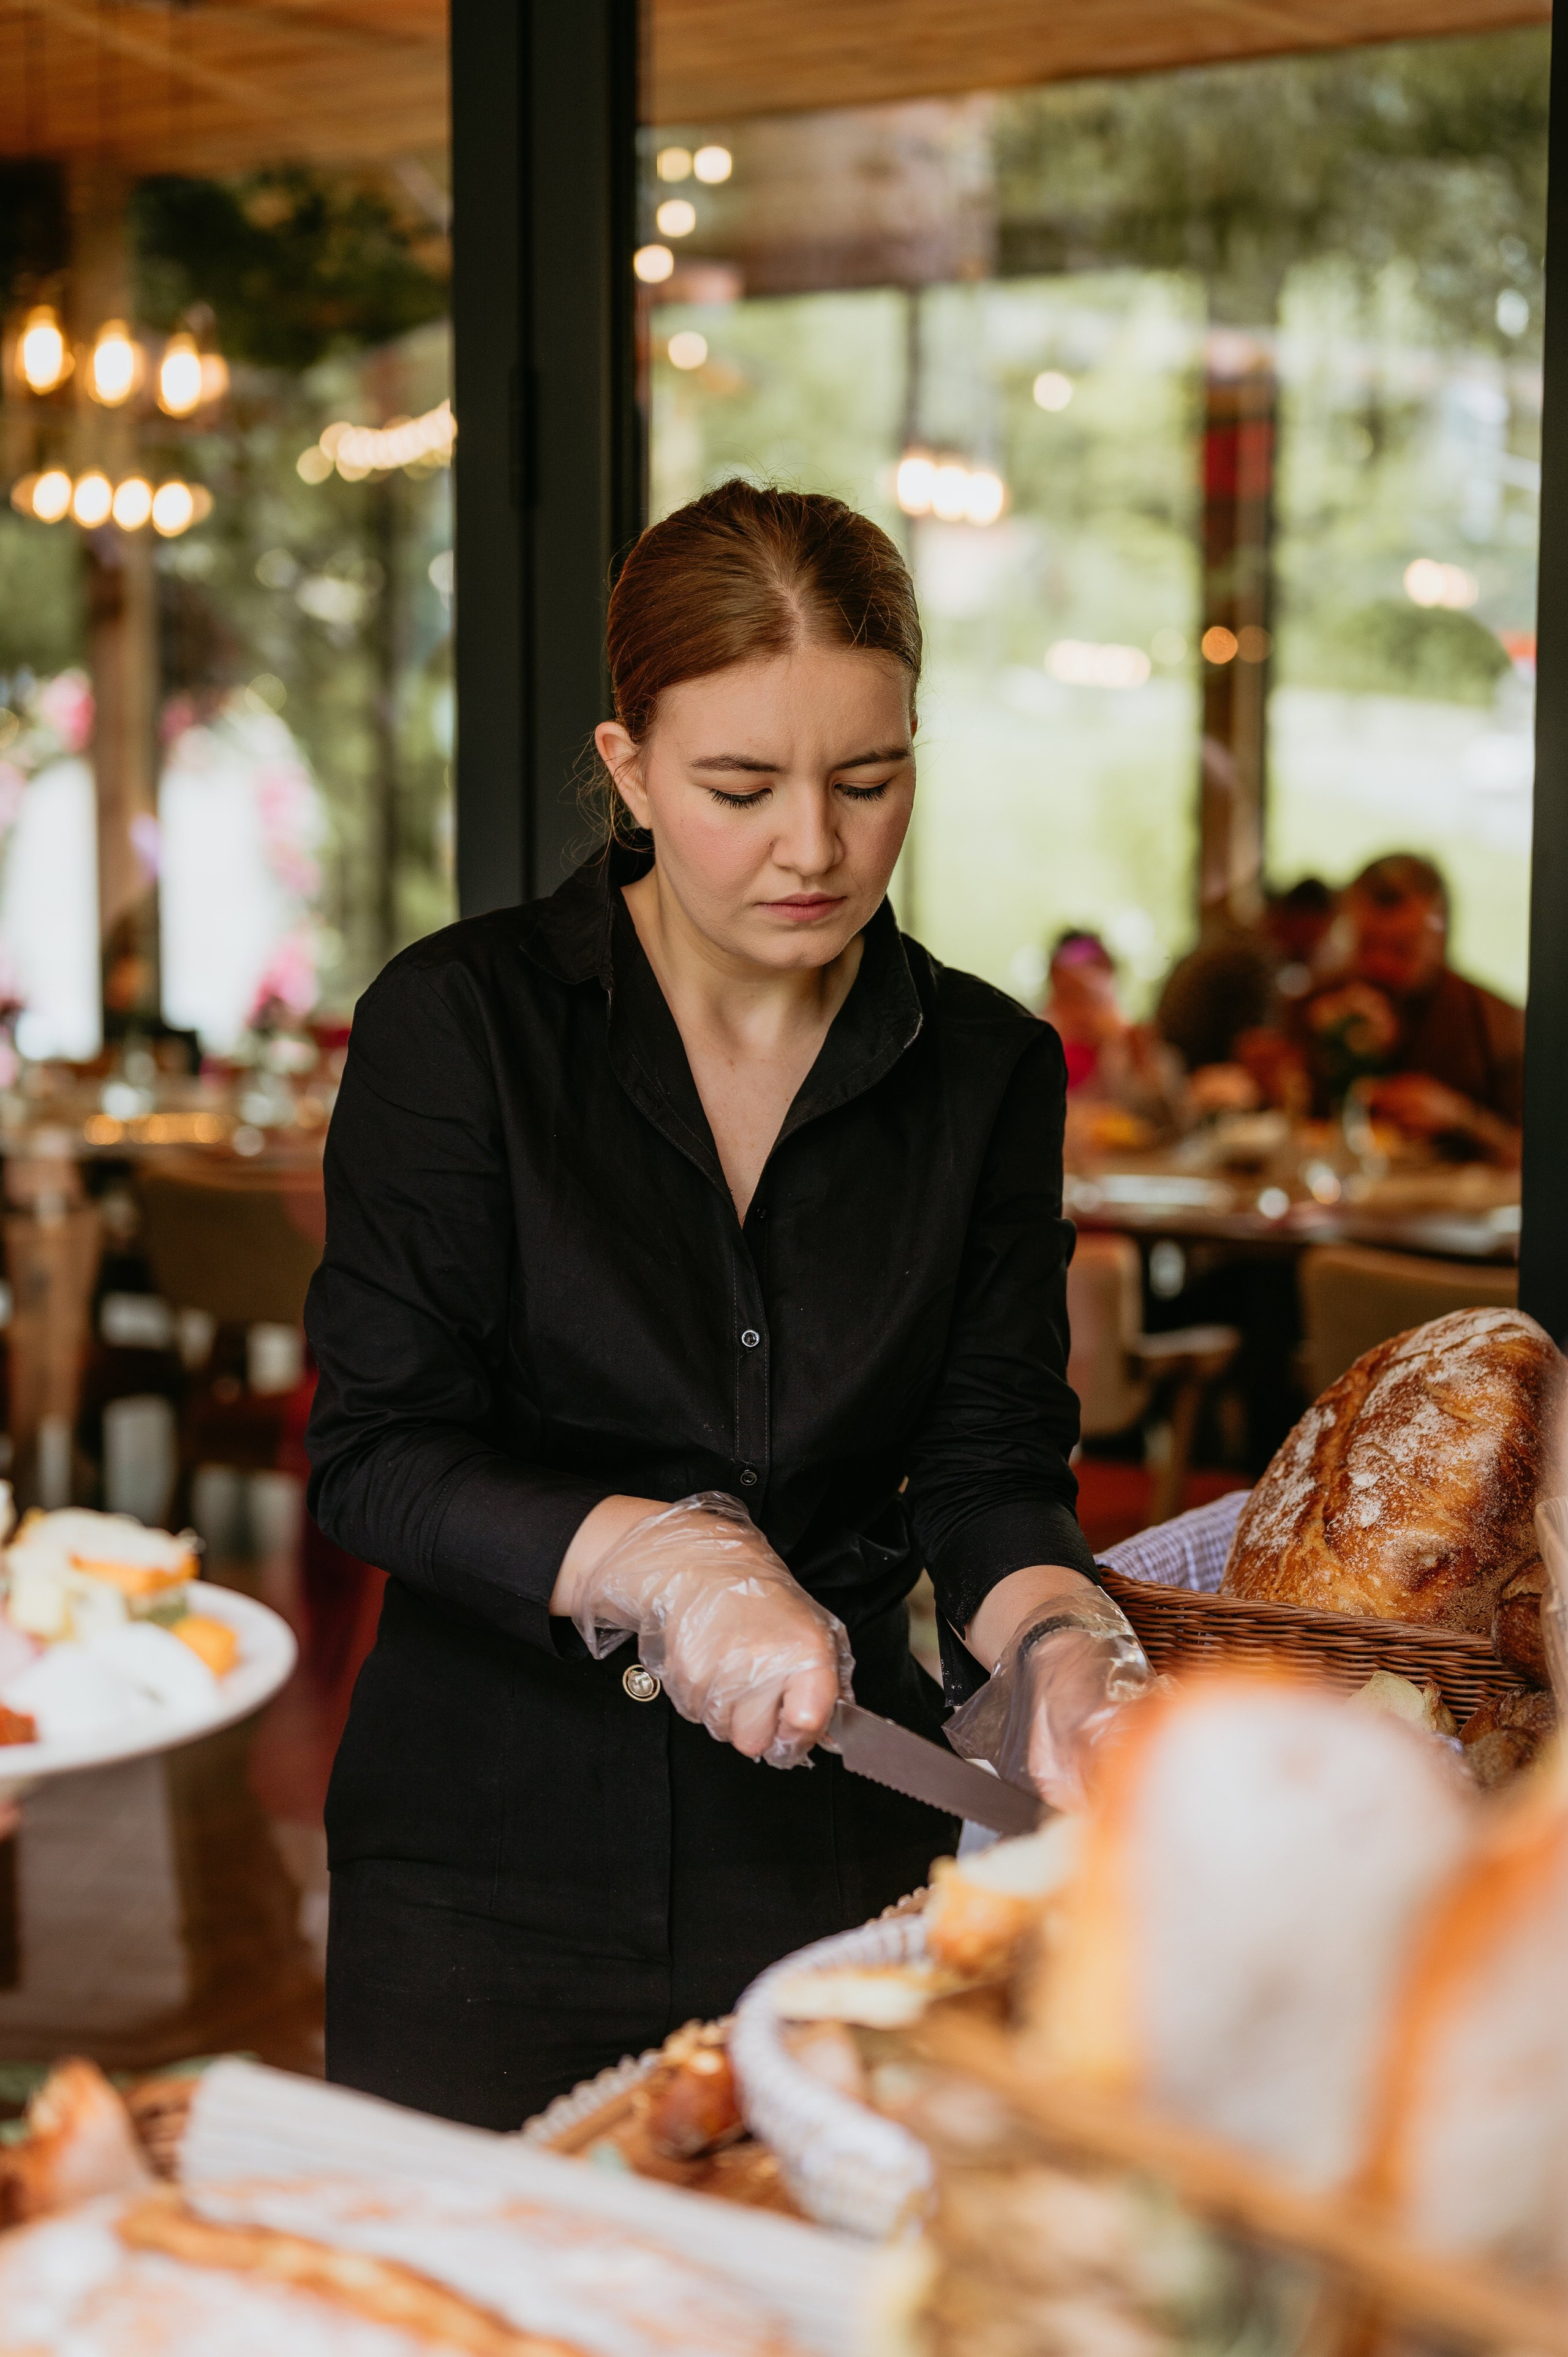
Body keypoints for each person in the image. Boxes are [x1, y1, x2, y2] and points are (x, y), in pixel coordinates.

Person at [304, 481, 1149, 2132]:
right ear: (627, 767)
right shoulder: (461, 1029)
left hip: (838, 1862)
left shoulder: (986, 1074)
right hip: (485, 1866)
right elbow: (375, 1456)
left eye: (870, 779)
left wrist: (1061, 1644)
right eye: (739, 788)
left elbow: (986, 1464)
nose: (814, 847)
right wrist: (654, 1560)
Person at [1292, 854, 1521, 1164]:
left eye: (1402, 949)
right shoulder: (1313, 1005)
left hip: (1451, 1209)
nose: (1382, 964)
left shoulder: (1497, 1023)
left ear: (1439, 937)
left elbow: (1539, 1157)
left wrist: (1460, 1119)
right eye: (1368, 945)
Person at [1155, 879, 1338, 1077]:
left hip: (1174, 1067)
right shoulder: (1255, 960)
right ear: (1305, 920)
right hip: (1193, 1079)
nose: (1324, 944)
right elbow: (1253, 1051)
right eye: (1325, 930)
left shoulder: (1241, 943)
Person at [1042, 929, 1188, 1142]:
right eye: (1068, 994)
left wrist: (1143, 1063)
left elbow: (1173, 1126)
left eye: (1091, 996)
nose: (1082, 1012)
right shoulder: (1041, 1050)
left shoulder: (1132, 1046)